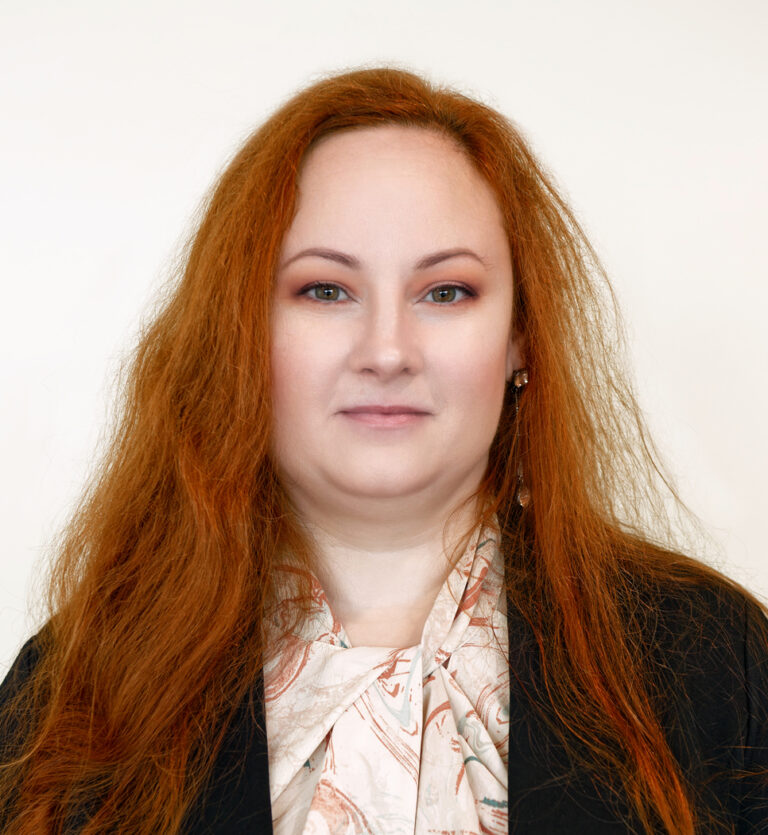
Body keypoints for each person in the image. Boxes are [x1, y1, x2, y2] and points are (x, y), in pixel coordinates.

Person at [0, 66, 766, 835]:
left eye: (447, 291)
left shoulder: (716, 665)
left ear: (519, 338)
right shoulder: (72, 695)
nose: (388, 351)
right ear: (241, 335)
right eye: (325, 290)